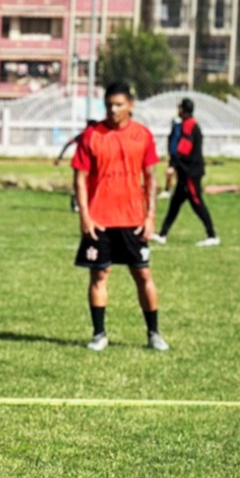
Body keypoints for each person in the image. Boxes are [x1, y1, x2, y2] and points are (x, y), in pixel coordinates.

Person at [71, 82, 167, 353]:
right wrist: (85, 217)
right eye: (109, 105)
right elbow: (79, 179)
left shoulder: (142, 136)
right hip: (100, 220)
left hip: (133, 220)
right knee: (99, 275)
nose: (113, 110)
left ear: (130, 105)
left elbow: (150, 178)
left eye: (119, 104)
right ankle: (99, 334)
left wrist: (150, 217)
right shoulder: (92, 135)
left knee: (143, 274)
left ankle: (154, 333)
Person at [153, 98, 219, 247]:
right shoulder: (188, 124)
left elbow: (184, 148)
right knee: (174, 204)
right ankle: (163, 234)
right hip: (185, 173)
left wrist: (173, 165)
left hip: (191, 172)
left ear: (183, 110)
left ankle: (212, 235)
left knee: (197, 203)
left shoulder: (189, 125)